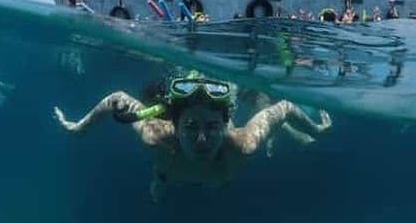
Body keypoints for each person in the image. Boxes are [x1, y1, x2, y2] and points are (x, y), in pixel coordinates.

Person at [53, 70, 332, 202]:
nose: (201, 139)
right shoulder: (155, 136)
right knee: (162, 178)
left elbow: (284, 108)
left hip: (218, 176)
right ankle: (161, 180)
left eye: (212, 127)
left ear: (225, 124)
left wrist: (316, 130)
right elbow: (116, 100)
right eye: (190, 127)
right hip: (169, 170)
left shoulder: (243, 143)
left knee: (220, 183)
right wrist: (79, 128)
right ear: (174, 125)